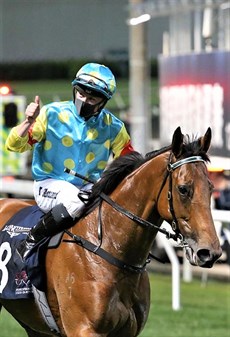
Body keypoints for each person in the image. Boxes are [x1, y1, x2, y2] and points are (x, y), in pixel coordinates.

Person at [5, 62, 134, 259]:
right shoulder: (51, 114)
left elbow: (130, 164)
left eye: (91, 98)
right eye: (81, 93)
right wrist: (28, 122)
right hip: (49, 184)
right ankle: (29, 242)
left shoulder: (114, 127)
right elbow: (14, 145)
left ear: (104, 101)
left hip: (89, 188)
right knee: (75, 201)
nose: (84, 100)